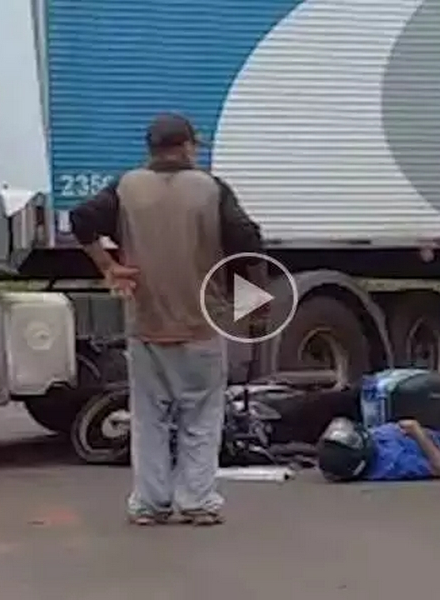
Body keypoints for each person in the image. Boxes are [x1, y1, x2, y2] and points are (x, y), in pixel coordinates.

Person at [70, 113, 263, 525]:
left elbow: (81, 219)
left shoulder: (127, 187)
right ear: (187, 146)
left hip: (146, 325)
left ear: (151, 149)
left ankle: (149, 503)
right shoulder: (211, 189)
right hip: (201, 325)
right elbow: (247, 240)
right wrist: (251, 314)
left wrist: (108, 265)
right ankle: (196, 501)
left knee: (149, 419)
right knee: (201, 417)